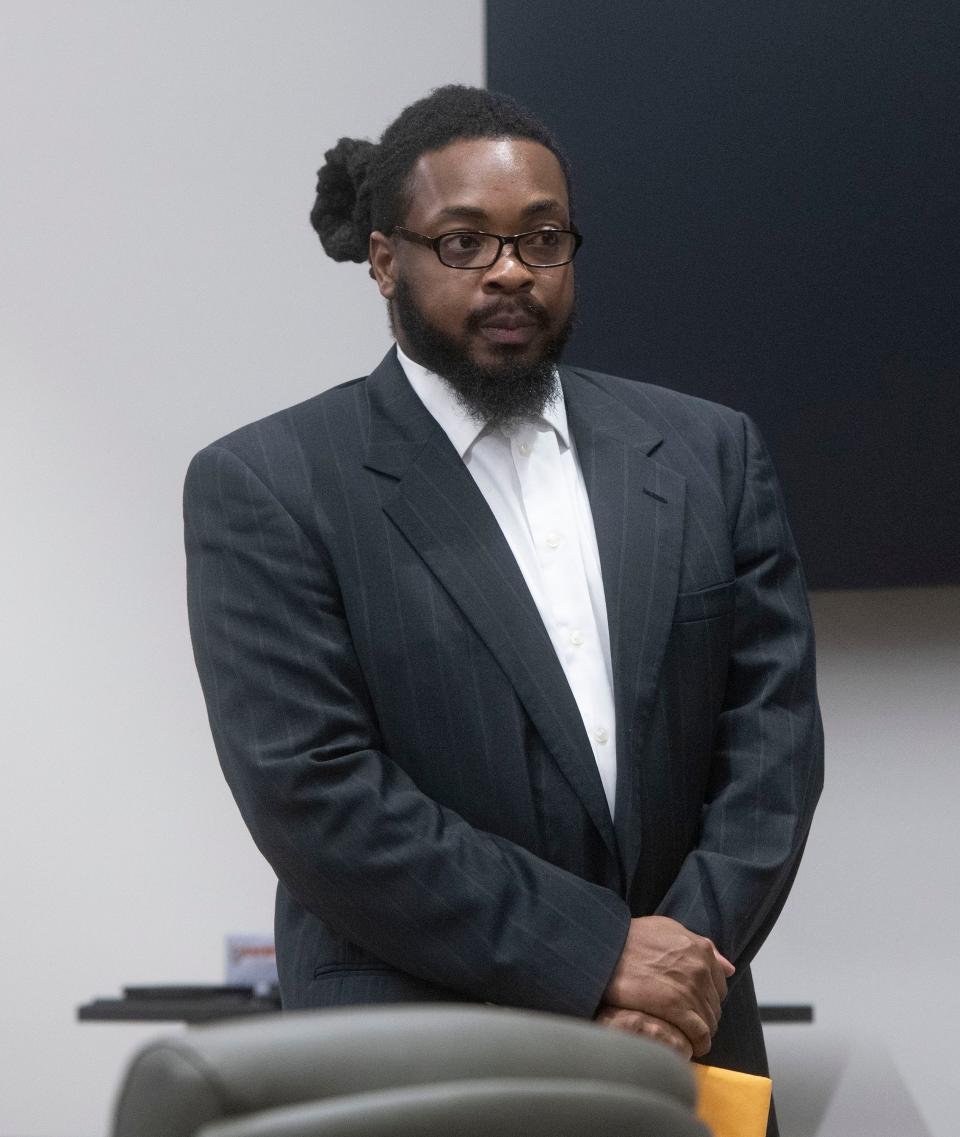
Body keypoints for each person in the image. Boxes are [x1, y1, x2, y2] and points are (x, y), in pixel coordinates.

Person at [184, 85, 822, 1133]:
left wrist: (678, 975)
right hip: (420, 1057)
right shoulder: (271, 484)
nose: (512, 268)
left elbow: (774, 750)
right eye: (465, 243)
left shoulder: (713, 451)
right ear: (387, 261)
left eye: (542, 238)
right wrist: (600, 956)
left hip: (689, 1048)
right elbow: (318, 795)